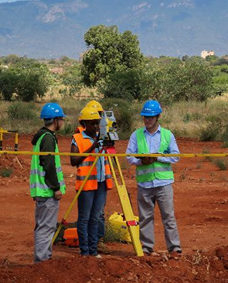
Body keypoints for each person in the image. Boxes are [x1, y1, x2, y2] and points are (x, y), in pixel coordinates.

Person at [126, 100, 182, 257]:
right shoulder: (136, 135)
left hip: (163, 183)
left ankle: (174, 248)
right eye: (145, 117)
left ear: (158, 117)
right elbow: (129, 156)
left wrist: (158, 158)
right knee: (145, 218)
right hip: (145, 184)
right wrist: (140, 161)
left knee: (168, 217)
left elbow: (175, 156)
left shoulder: (167, 135)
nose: (147, 120)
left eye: (150, 117)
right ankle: (146, 247)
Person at [71, 107, 113, 258]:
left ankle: (93, 251)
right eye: (92, 123)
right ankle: (85, 252)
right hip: (86, 185)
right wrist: (92, 147)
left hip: (101, 183)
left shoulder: (101, 137)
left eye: (97, 123)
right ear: (84, 123)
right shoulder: (77, 138)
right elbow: (73, 160)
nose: (95, 126)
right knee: (84, 218)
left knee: (95, 218)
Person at [30, 103, 66, 263]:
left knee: (42, 226)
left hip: (41, 191)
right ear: (56, 120)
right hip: (47, 191)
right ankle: (42, 263)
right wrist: (56, 187)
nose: (63, 122)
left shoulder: (41, 137)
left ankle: (44, 260)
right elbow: (49, 164)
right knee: (46, 228)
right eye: (62, 119)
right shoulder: (48, 139)